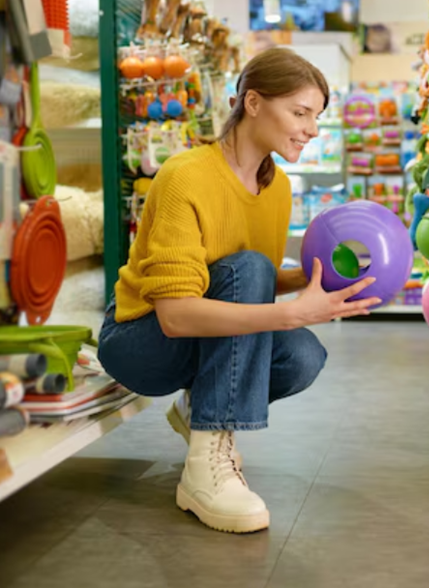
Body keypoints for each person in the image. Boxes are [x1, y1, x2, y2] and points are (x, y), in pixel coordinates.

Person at [97, 48, 380, 535]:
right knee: (254, 275)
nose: (312, 128)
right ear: (252, 103)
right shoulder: (185, 175)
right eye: (300, 112)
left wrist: (323, 281)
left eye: (316, 116)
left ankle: (201, 410)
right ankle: (205, 466)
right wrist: (290, 313)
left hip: (193, 334)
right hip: (139, 341)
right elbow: (177, 316)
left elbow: (248, 284)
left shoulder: (278, 188)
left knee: (303, 357)